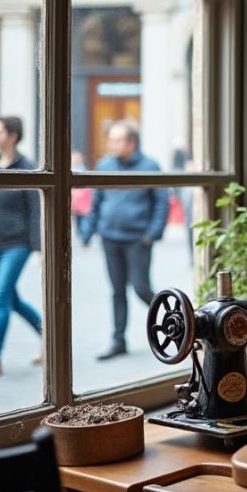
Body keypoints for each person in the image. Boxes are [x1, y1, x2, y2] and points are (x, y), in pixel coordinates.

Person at [79, 121, 169, 360]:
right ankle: (118, 341)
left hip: (138, 240)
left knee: (141, 288)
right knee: (117, 291)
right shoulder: (104, 165)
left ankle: (176, 321)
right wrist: (88, 231)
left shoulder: (150, 166)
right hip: (110, 238)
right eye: (111, 140)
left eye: (117, 140)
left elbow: (161, 202)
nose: (112, 145)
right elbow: (96, 201)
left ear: (131, 143)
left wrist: (152, 234)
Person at [0, 117, 43, 379]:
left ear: (13, 135)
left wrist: (39, 247)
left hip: (16, 244)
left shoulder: (27, 167)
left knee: (0, 299)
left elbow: (35, 210)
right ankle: (49, 335)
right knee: (12, 299)